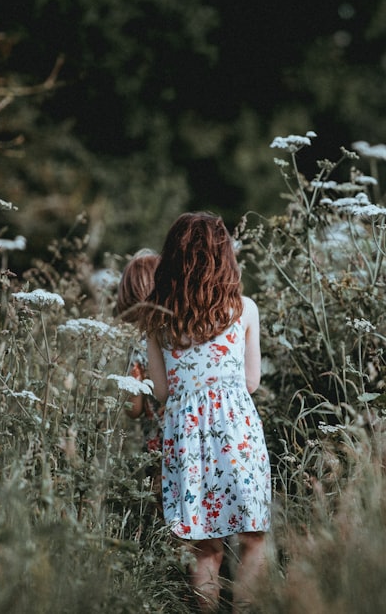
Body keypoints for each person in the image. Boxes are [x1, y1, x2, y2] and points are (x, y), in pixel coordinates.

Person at [139, 212, 270, 613]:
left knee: (204, 550)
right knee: (252, 539)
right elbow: (251, 382)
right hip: (237, 431)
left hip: (186, 436)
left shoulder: (157, 319)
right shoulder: (244, 310)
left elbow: (161, 391)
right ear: (225, 257)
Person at [116, 249, 164, 505]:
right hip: (192, 432)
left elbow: (134, 408)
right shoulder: (178, 334)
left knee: (165, 514)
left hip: (158, 443)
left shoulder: (138, 344)